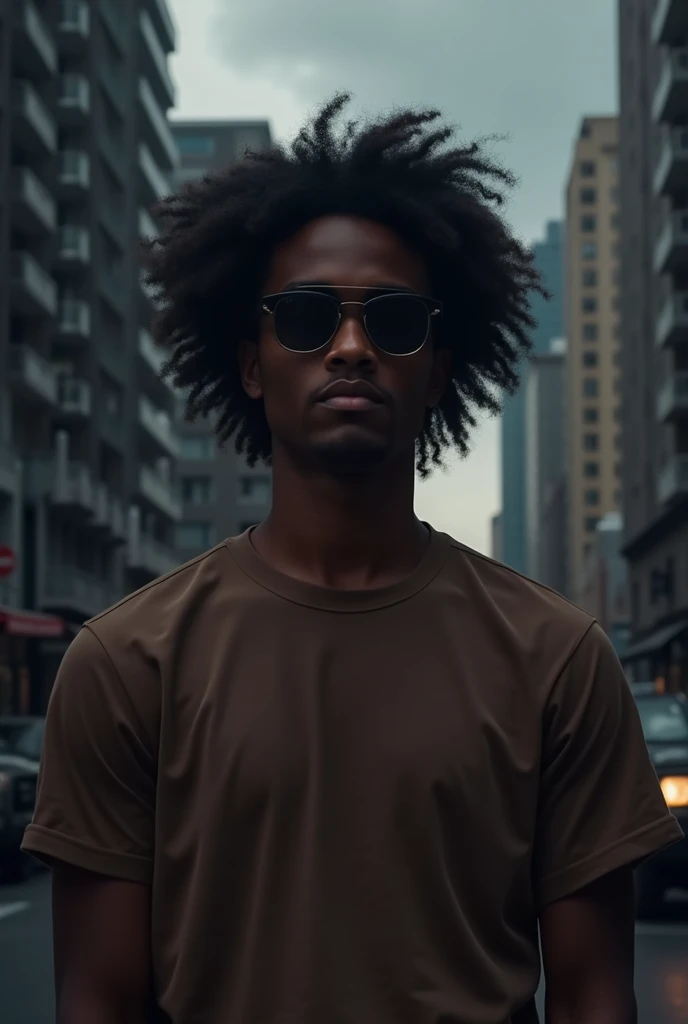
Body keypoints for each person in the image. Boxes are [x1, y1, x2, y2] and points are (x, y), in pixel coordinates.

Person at [23, 95, 682, 1024]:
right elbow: (96, 1000)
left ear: (440, 368)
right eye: (304, 316)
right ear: (250, 363)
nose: (350, 346)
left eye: (396, 320)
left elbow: (593, 997)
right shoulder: (128, 662)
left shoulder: (557, 659)